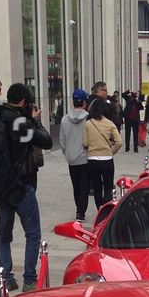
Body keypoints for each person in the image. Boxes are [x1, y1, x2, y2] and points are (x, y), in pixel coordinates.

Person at [0, 82, 52, 294]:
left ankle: (6, 276)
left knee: (4, 233)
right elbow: (45, 141)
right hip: (22, 184)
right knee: (33, 234)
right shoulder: (19, 123)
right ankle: (29, 278)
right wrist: (36, 121)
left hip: (1, 186)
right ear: (24, 102)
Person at [83, 95, 122, 209]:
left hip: (92, 160)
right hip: (107, 159)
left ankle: (99, 207)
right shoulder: (109, 124)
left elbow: (85, 143)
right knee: (108, 186)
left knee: (97, 186)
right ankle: (106, 208)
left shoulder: (88, 124)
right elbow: (119, 142)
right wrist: (111, 151)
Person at [59, 89, 91, 221]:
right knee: (84, 185)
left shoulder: (65, 119)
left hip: (71, 158)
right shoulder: (89, 118)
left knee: (76, 185)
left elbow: (62, 141)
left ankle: (79, 208)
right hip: (85, 157)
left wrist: (67, 153)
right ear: (84, 102)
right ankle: (81, 211)